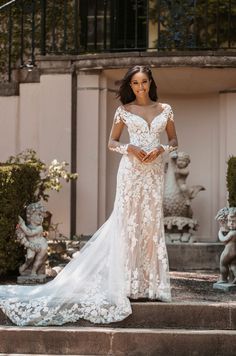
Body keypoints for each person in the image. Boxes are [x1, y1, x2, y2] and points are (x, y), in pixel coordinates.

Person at [0, 65, 178, 326]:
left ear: (151, 83)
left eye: (144, 82)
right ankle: (128, 283)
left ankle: (152, 286)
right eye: (135, 83)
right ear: (130, 86)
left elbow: (174, 141)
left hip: (153, 173)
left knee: (150, 224)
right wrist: (130, 148)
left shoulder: (166, 110)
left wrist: (161, 149)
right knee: (127, 223)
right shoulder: (124, 111)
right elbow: (112, 142)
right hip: (131, 172)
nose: (140, 88)